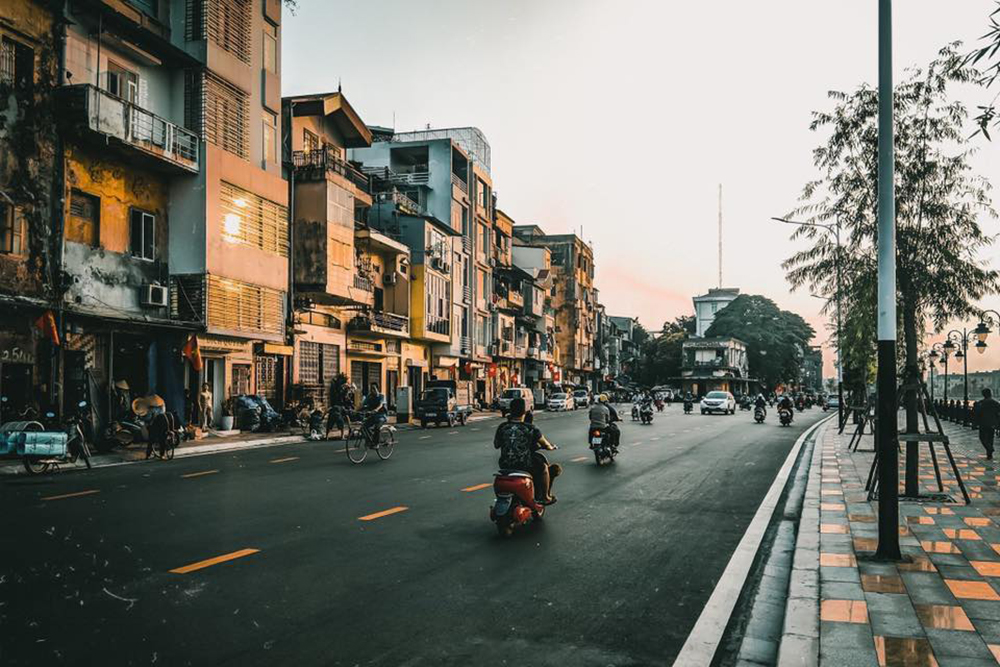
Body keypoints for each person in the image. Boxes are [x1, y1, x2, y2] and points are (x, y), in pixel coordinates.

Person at [494, 397, 561, 504]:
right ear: (524, 412)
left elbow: (496, 445)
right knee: (542, 466)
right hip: (524, 464)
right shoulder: (530, 428)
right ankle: (544, 497)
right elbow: (545, 444)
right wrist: (551, 447)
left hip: (504, 464)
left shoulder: (503, 427)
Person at [974, 388, 1000, 460]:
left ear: (983, 394)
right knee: (990, 438)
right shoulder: (995, 402)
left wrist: (975, 423)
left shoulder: (981, 403)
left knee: (982, 437)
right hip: (992, 423)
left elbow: (977, 414)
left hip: (983, 423)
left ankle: (989, 448)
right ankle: (989, 454)